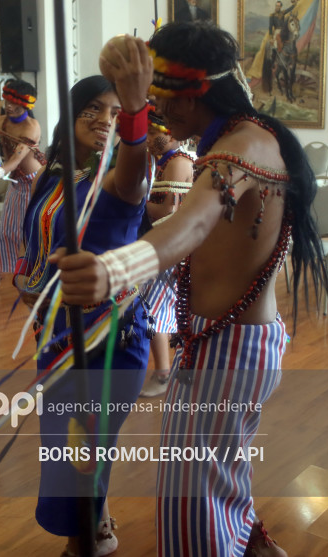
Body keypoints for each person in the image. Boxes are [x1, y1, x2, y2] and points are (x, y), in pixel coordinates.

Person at [53, 22, 327, 556]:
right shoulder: (240, 137)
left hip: (229, 353)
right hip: (225, 345)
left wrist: (115, 269)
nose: (159, 111)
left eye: (161, 98)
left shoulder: (242, 147)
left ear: (194, 91)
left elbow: (194, 224)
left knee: (190, 508)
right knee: (220, 476)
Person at [16, 63, 153, 555]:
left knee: (84, 445)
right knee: (68, 442)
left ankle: (81, 544)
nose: (103, 118)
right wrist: (29, 282)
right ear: (72, 116)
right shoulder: (56, 173)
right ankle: (95, 521)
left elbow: (134, 173)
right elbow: (38, 242)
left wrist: (135, 119)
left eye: (115, 112)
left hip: (111, 337)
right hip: (57, 335)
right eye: (93, 109)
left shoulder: (121, 174)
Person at [138, 108, 195, 398]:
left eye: (152, 133)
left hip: (174, 247)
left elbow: (168, 212)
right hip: (167, 245)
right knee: (153, 309)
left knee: (152, 311)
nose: (147, 139)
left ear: (168, 132)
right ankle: (170, 370)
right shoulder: (164, 161)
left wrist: (136, 204)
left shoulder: (177, 162)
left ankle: (163, 374)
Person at [0, 79, 44, 296]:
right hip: (15, 183)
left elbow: (15, 161)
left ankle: (38, 275)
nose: (9, 106)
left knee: (33, 232)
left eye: (14, 103)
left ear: (25, 104)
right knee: (7, 231)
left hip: (35, 183)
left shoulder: (32, 127)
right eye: (7, 100)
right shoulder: (0, 122)